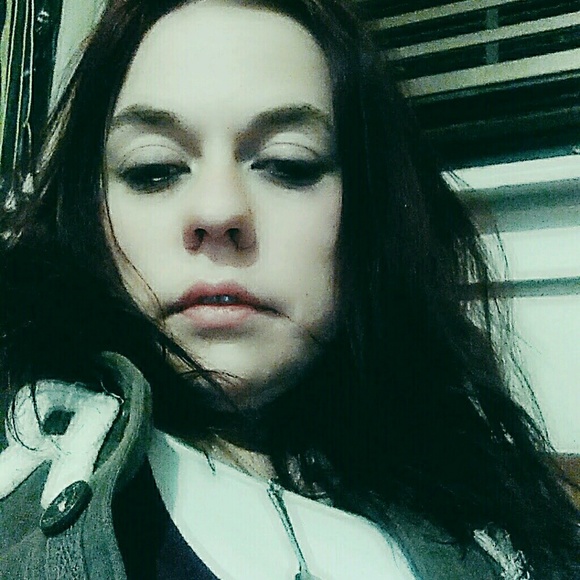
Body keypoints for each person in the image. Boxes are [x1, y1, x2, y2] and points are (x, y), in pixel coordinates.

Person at [0, 0, 578, 577]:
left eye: (288, 164)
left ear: (369, 211)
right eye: (154, 168)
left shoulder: (488, 514)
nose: (218, 211)